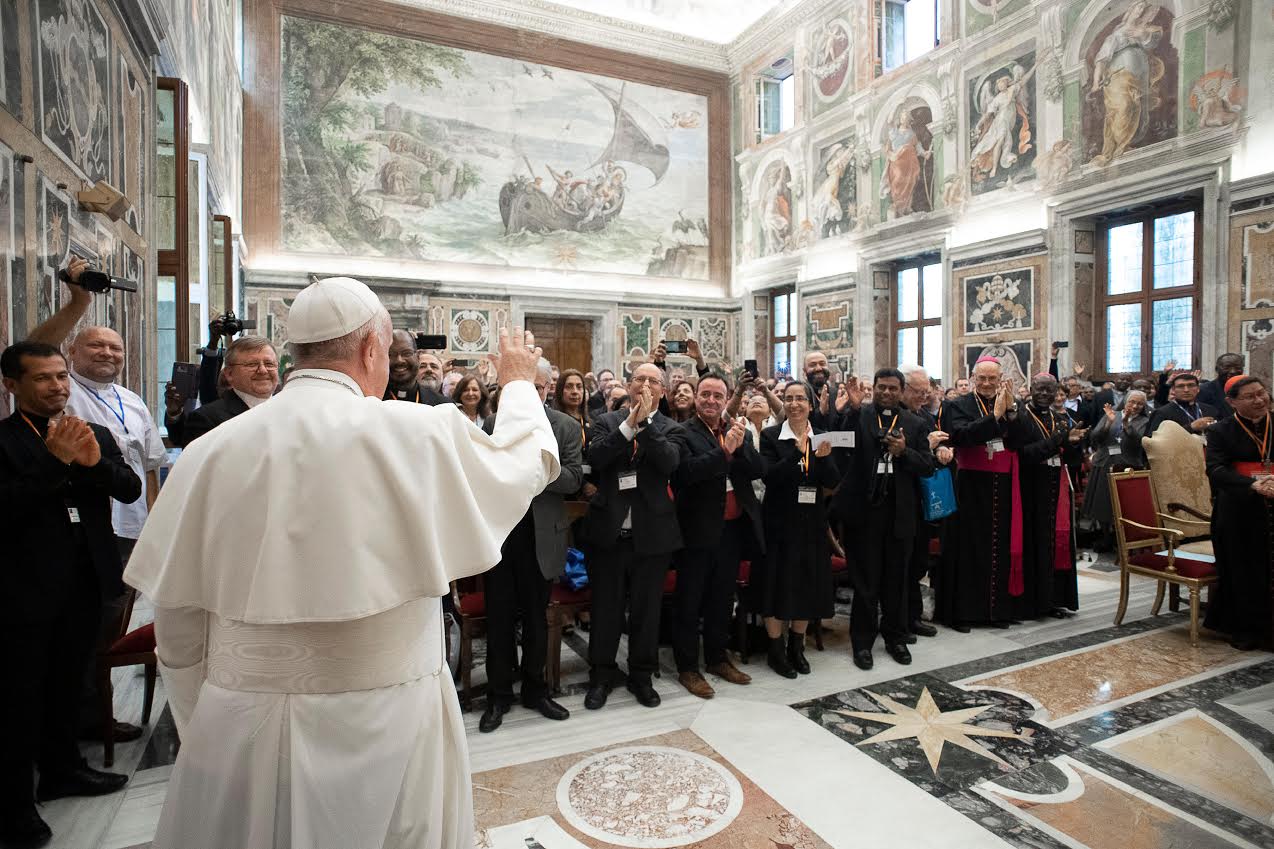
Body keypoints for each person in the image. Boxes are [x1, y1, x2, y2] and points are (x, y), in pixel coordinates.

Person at [123, 277, 560, 849]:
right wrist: (520, 383)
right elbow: (524, 463)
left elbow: (179, 624)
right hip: (392, 717)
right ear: (371, 348)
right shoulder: (416, 430)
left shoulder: (208, 452)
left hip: (243, 719)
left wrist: (209, 718)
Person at [0, 341, 141, 848]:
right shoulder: (5, 441)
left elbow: (128, 488)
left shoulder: (91, 432)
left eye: (61, 376)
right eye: (43, 378)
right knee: (20, 701)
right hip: (24, 591)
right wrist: (55, 462)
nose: (57, 386)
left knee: (68, 685)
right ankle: (14, 808)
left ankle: (63, 770)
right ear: (12, 385)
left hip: (84, 583)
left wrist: (93, 464)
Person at [26, 259, 166, 743]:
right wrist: (79, 301)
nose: (107, 352)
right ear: (70, 353)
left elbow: (149, 467)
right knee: (85, 629)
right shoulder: (62, 391)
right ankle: (82, 720)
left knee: (110, 626)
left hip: (130, 528)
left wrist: (154, 525)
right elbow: (34, 349)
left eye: (115, 347)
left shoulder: (132, 400)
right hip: (83, 531)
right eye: (96, 345)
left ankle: (94, 712)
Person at [479, 359, 583, 732]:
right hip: (503, 536)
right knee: (500, 620)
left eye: (539, 387)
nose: (534, 393)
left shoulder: (565, 426)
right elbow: (485, 474)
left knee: (537, 621)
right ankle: (498, 695)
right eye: (525, 387)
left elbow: (573, 479)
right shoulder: (494, 424)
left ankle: (536, 691)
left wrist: (533, 471)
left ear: (548, 389)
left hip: (543, 536)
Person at [582, 363, 685, 710]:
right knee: (606, 611)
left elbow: (669, 462)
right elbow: (596, 456)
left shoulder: (672, 428)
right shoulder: (606, 421)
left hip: (652, 535)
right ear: (629, 385)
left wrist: (646, 424)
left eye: (653, 380)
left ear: (663, 391)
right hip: (609, 533)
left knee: (646, 611)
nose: (645, 384)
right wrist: (629, 424)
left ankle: (641, 676)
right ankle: (601, 676)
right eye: (639, 378)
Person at [834, 370, 936, 670]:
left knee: (896, 581)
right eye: (882, 387)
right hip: (865, 513)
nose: (887, 393)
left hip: (900, 513)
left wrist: (904, 452)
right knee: (866, 582)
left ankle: (896, 638)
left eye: (893, 388)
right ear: (874, 389)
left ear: (901, 391)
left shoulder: (915, 423)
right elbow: (841, 445)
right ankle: (862, 643)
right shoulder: (861, 415)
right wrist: (853, 409)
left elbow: (927, 466)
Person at [670, 375, 763, 698]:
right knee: (689, 601)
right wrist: (724, 451)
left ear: (726, 400)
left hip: (731, 530)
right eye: (705, 394)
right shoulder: (682, 432)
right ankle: (687, 667)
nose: (711, 400)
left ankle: (717, 658)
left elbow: (758, 469)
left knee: (722, 599)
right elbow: (685, 473)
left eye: (717, 396)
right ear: (696, 397)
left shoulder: (736, 428)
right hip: (696, 531)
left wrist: (740, 445)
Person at [757, 383, 840, 678]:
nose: (794, 404)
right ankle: (775, 650)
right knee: (776, 584)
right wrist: (796, 452)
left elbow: (832, 481)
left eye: (800, 399)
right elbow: (770, 477)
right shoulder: (771, 436)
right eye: (789, 398)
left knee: (805, 583)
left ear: (810, 404)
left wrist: (823, 457)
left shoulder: (822, 435)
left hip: (811, 521)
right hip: (779, 521)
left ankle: (797, 646)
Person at [937, 357, 1020, 631]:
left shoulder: (1009, 402)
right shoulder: (957, 405)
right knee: (967, 549)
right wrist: (993, 417)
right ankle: (963, 613)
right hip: (969, 485)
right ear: (973, 378)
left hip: (1001, 484)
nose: (986, 383)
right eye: (981, 378)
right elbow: (960, 436)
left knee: (998, 545)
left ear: (1000, 380)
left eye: (992, 379)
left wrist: (1011, 413)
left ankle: (995, 612)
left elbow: (1019, 439)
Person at [1205, 375, 1274, 650]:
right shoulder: (1220, 431)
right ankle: (1248, 630)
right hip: (1239, 508)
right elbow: (1215, 470)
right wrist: (1252, 485)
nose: (1259, 400)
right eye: (1250, 397)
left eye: (1261, 393)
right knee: (1244, 569)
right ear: (1232, 402)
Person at [1011, 375, 1083, 619]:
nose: (1044, 394)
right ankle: (1032, 604)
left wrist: (1073, 444)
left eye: (1049, 390)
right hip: (1030, 489)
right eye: (1040, 389)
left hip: (1056, 487)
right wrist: (1057, 441)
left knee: (1054, 544)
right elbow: (1023, 455)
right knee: (1034, 543)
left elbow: (1069, 458)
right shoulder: (1020, 418)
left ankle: (1054, 600)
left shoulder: (1060, 418)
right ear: (1031, 389)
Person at [899, 364, 950, 640]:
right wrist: (927, 447)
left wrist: (942, 449)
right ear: (903, 389)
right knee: (903, 564)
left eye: (926, 392)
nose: (924, 397)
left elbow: (933, 445)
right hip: (900, 499)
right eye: (918, 392)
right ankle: (900, 620)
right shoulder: (895, 417)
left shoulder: (923, 416)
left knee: (919, 562)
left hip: (923, 500)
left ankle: (913, 616)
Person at [168, 336, 280, 447]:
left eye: (269, 364)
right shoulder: (206, 420)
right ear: (229, 374)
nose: (263, 370)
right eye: (252, 364)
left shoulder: (287, 412)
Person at [1084, 390, 1148, 538]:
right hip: (1105, 463)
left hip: (1129, 466)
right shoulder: (1113, 414)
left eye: (1140, 404)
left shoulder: (1145, 421)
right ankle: (1105, 536)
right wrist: (1108, 423)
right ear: (1125, 401)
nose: (1135, 406)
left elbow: (1140, 442)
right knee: (1103, 503)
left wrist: (1126, 424)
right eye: (1132, 402)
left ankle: (1124, 538)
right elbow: (1095, 438)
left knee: (1125, 505)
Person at [387, 331, 450, 406]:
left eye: (407, 353)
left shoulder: (444, 405)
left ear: (417, 356)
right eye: (392, 354)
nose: (399, 360)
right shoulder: (375, 401)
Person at [1147, 372, 1218, 435]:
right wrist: (1190, 427)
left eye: (1191, 385)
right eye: (1180, 386)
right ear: (1173, 390)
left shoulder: (1210, 410)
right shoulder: (1162, 413)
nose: (1186, 390)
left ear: (1198, 389)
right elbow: (1153, 440)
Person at [1199, 353, 1243, 420]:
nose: (1233, 371)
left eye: (1237, 368)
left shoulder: (1247, 389)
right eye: (1227, 367)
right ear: (1217, 369)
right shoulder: (1204, 390)